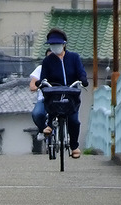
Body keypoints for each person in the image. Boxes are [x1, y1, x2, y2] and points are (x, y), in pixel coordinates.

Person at [39, 28, 88, 158]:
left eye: (57, 44)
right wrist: (41, 82)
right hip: (54, 92)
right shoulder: (47, 61)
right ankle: (49, 125)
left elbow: (81, 72)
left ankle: (74, 146)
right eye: (52, 45)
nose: (55, 47)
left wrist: (83, 79)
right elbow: (44, 77)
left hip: (71, 93)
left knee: (74, 121)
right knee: (51, 105)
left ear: (64, 44)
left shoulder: (74, 57)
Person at [29, 49, 52, 139]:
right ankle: (42, 129)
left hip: (60, 97)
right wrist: (38, 86)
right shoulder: (40, 69)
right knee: (37, 114)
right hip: (44, 99)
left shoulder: (64, 68)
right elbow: (32, 85)